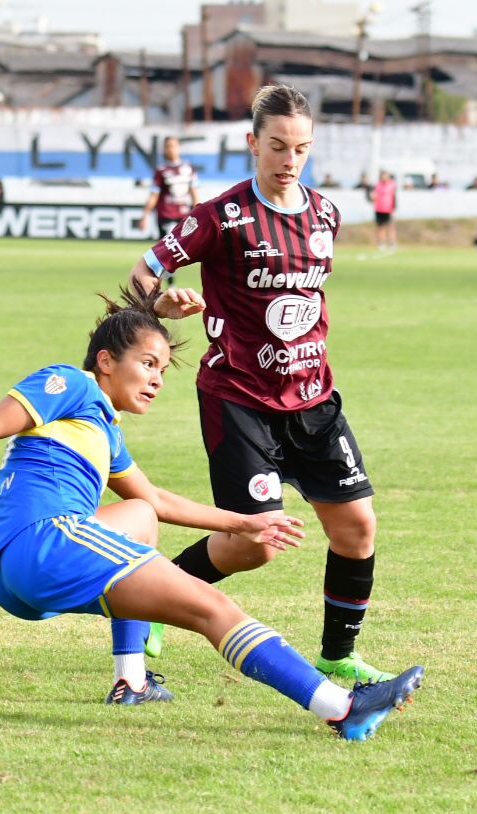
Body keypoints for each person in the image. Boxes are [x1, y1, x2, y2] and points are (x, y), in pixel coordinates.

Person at [0, 289, 424, 738]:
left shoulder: (104, 431)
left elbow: (155, 501)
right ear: (106, 361)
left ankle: (131, 680)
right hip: (45, 544)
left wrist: (243, 523)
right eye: (147, 363)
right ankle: (344, 709)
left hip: (11, 574)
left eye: (161, 370)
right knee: (210, 608)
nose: (156, 379)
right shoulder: (73, 383)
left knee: (137, 517)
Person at [128, 84, 396, 685]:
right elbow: (145, 270)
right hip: (239, 400)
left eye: (300, 148)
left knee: (356, 527)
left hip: (313, 397)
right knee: (257, 544)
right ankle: (153, 605)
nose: (288, 159)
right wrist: (161, 304)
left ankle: (337, 655)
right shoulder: (221, 216)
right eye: (277, 145)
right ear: (253, 143)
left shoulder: (325, 214)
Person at [138, 136, 200, 288]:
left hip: (184, 217)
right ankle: (170, 285)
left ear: (179, 148)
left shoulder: (189, 169)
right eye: (167, 146)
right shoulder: (161, 171)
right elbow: (154, 195)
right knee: (170, 251)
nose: (170, 149)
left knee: (186, 251)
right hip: (166, 216)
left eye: (173, 145)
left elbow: (194, 193)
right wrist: (145, 215)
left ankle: (166, 282)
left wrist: (199, 211)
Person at [371, 169, 397, 252]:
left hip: (388, 209)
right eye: (383, 176)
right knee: (380, 227)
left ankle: (392, 243)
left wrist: (393, 208)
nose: (384, 177)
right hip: (379, 209)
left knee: (390, 227)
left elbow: (394, 197)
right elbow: (374, 196)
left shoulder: (392, 185)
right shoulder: (377, 185)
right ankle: (381, 243)